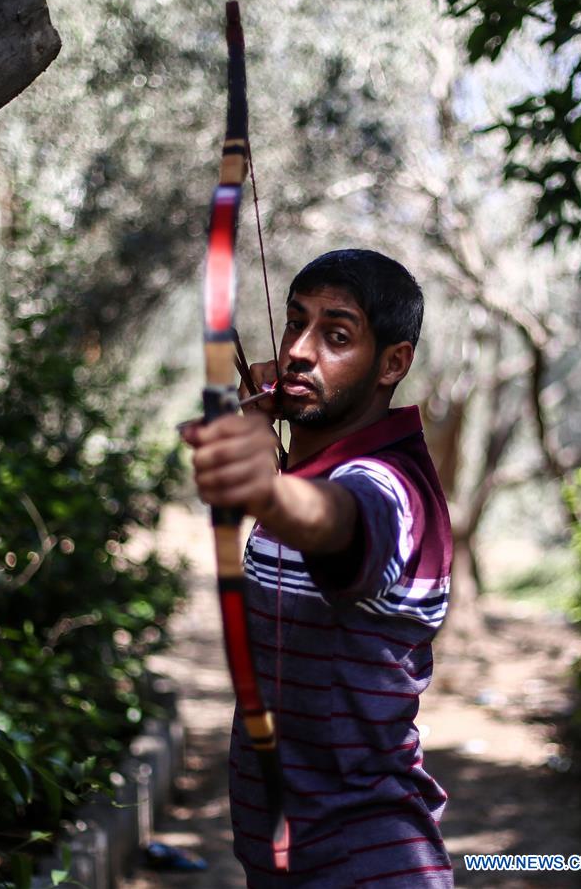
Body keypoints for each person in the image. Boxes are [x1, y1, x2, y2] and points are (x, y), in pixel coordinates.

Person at [182, 249, 454, 887]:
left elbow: (347, 521)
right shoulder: (316, 469)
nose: (300, 351)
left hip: (369, 864)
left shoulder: (391, 483)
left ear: (394, 363)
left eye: (337, 336)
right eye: (294, 324)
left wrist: (266, 491)